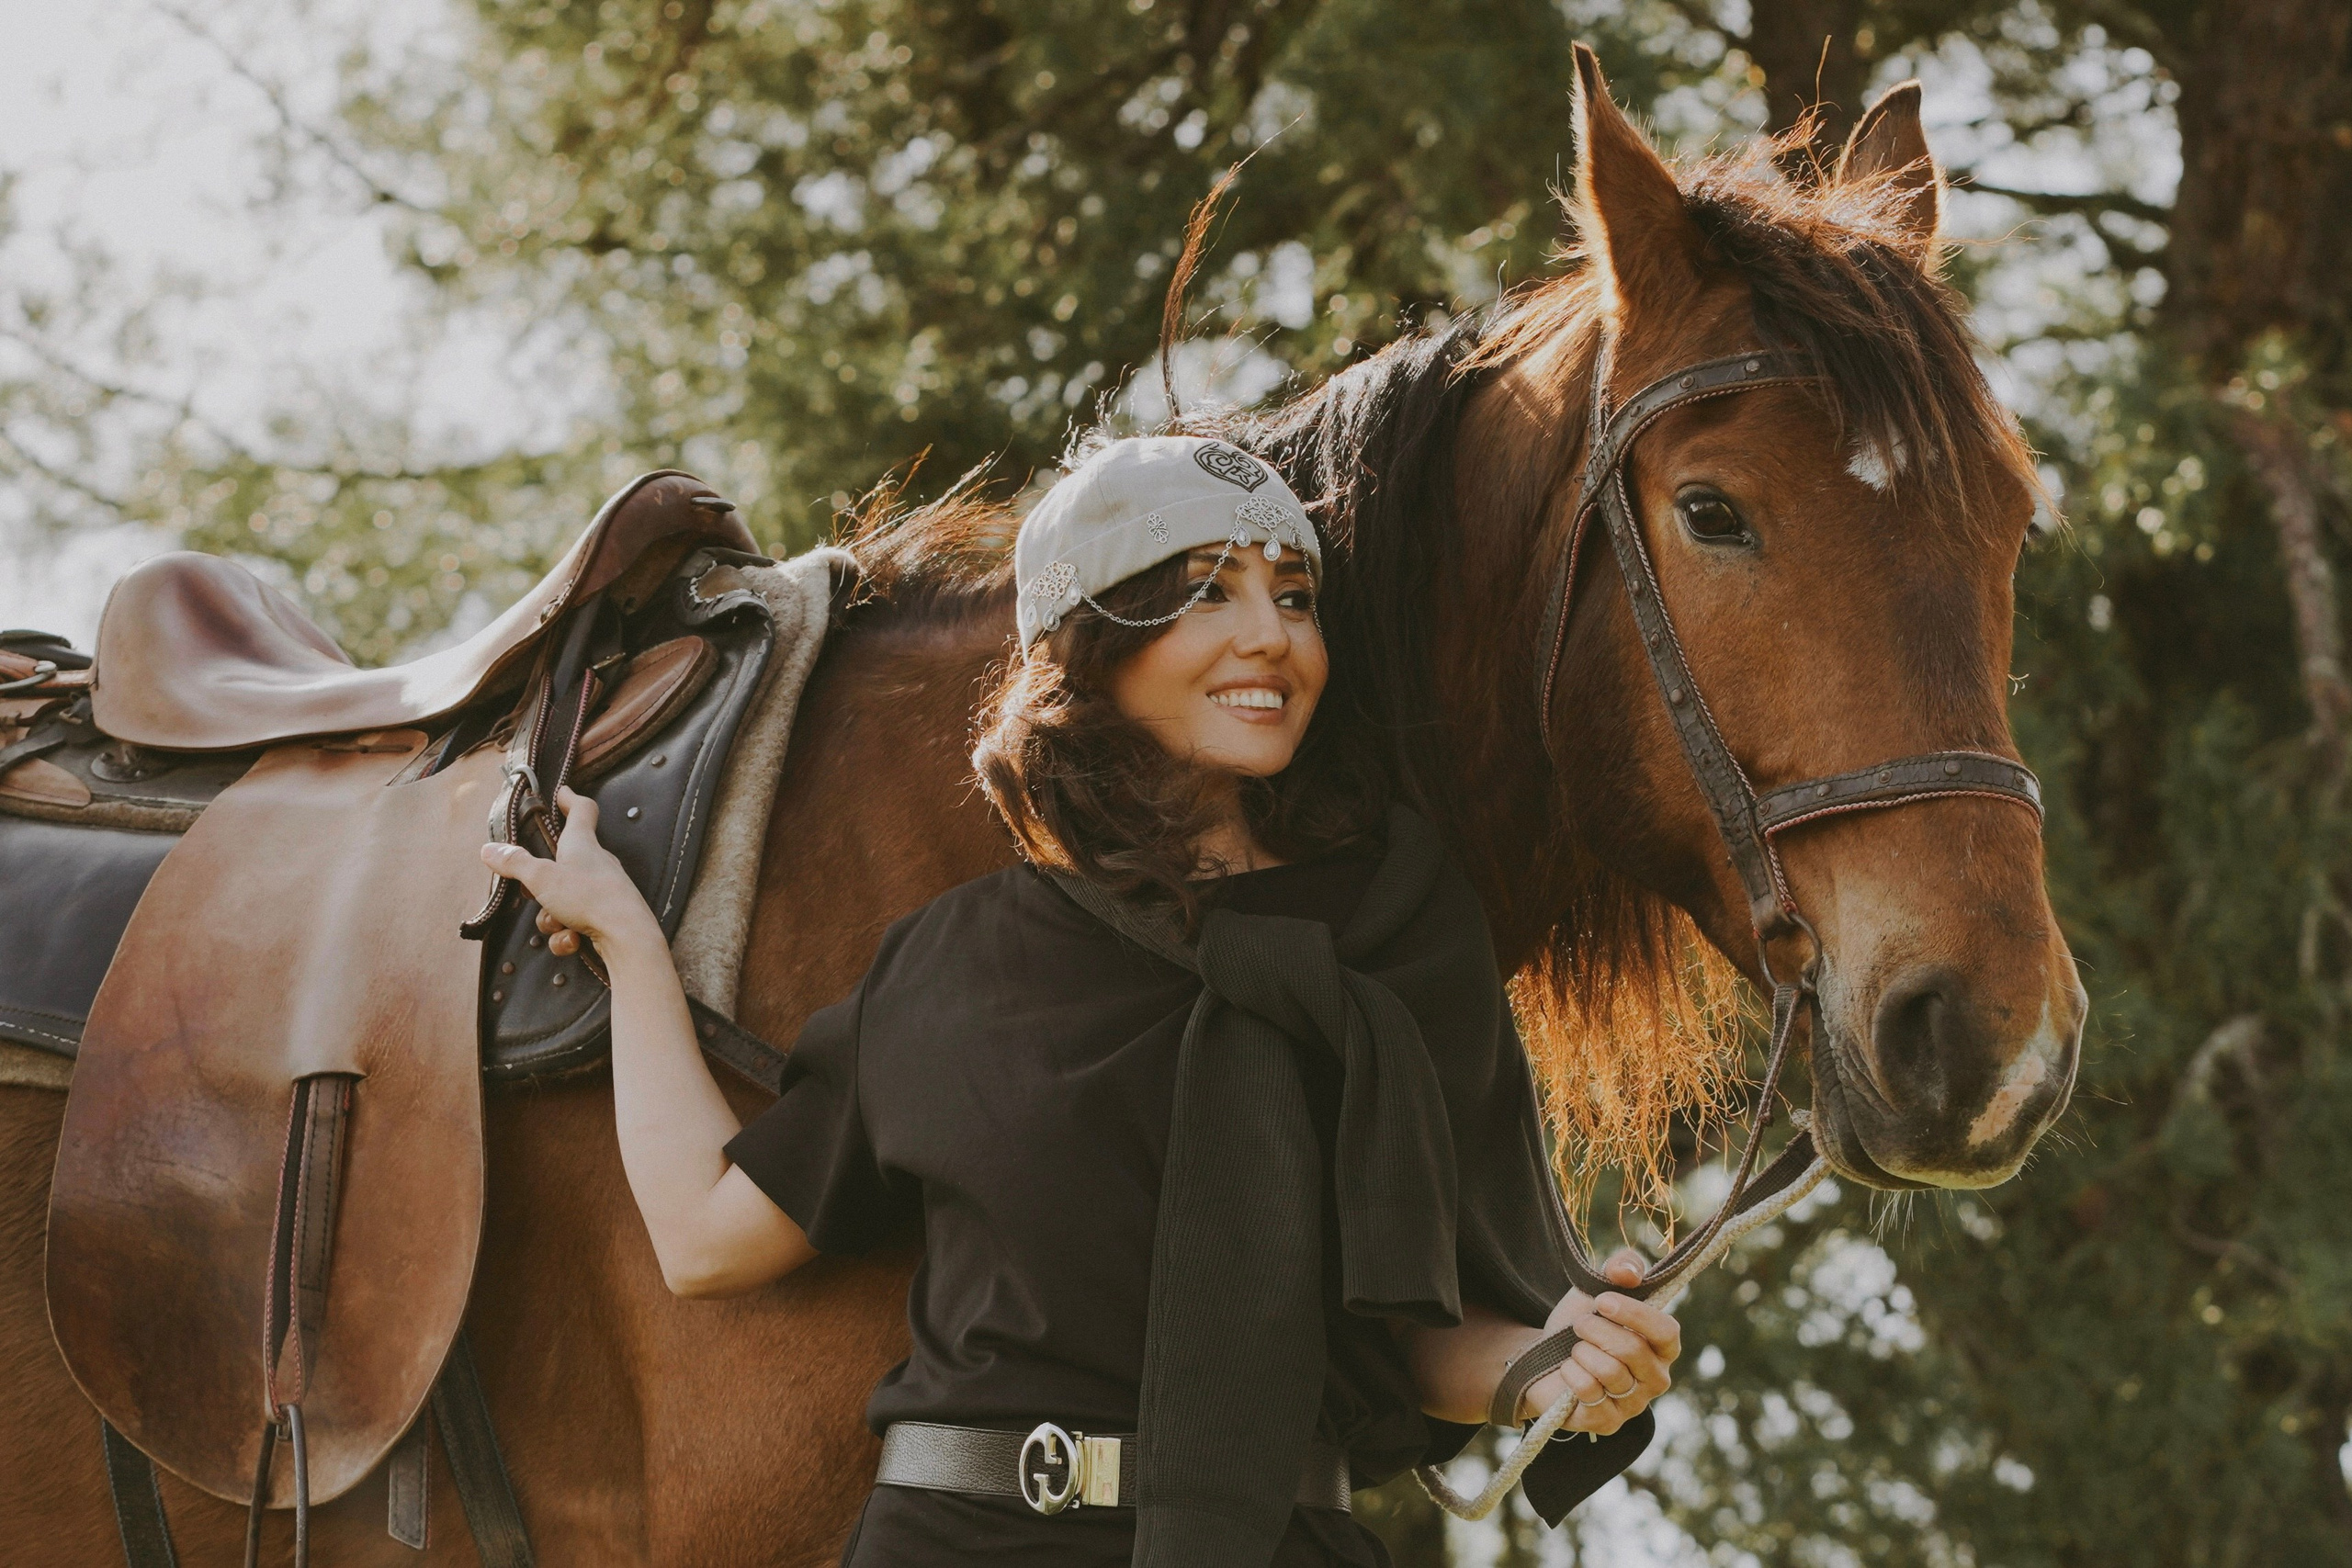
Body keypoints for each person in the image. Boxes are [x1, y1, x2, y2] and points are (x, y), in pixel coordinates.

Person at [481, 435, 1682, 1567]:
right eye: (1210, 591)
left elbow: (1404, 1336)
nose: (1271, 636)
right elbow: (706, 1236)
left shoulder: (1397, 935)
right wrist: (631, 946)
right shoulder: (960, 955)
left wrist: (1549, 1369)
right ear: (1093, 645)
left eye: (1297, 596)